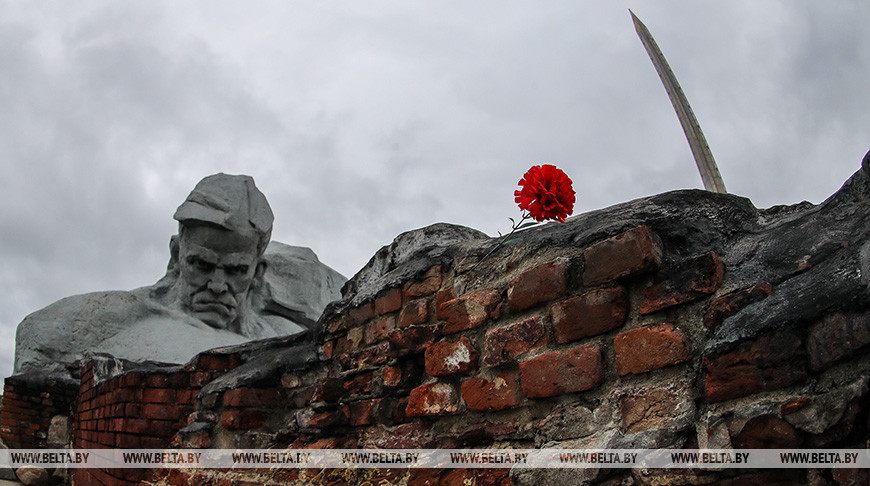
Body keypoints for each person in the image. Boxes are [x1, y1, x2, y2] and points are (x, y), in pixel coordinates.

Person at [13, 174, 345, 374]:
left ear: (257, 272)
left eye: (236, 271)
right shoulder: (121, 316)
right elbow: (37, 334)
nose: (217, 286)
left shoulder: (286, 334)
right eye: (201, 265)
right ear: (177, 256)